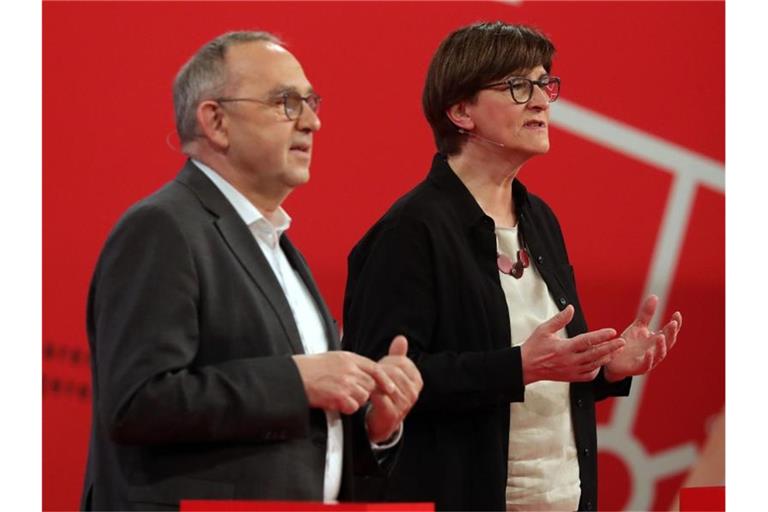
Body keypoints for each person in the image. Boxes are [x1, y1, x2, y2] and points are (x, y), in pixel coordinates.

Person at [342, 22, 682, 511]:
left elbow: (547, 372)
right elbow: (382, 387)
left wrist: (605, 369)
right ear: (460, 111)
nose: (542, 101)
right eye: (519, 87)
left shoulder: (538, 217)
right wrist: (516, 366)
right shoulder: (410, 231)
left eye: (545, 85)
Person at [80, 31, 422, 511]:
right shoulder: (162, 228)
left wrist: (372, 426)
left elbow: (295, 433)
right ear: (216, 121)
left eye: (311, 102)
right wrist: (298, 380)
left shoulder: (275, 245)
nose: (313, 122)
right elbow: (138, 402)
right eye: (286, 102)